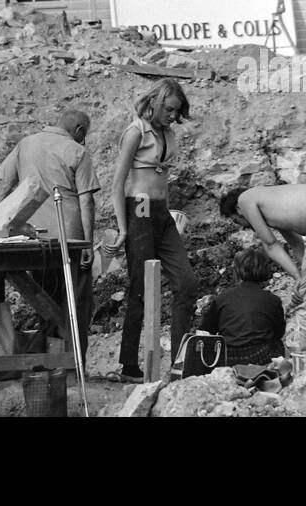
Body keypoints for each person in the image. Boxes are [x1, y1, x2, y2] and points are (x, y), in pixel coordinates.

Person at [103, 78, 200, 383]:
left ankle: (180, 361)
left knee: (186, 283)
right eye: (170, 109)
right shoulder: (136, 131)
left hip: (159, 212)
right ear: (156, 102)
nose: (173, 115)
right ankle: (129, 365)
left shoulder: (168, 133)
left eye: (177, 111)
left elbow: (164, 181)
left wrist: (169, 215)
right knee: (141, 287)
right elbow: (118, 183)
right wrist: (122, 225)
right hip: (140, 208)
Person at [0, 109, 98, 362]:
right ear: (80, 131)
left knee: (44, 301)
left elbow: (4, 185)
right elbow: (87, 202)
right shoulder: (77, 151)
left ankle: (49, 362)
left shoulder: (26, 143)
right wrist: (88, 243)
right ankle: (73, 363)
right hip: (69, 238)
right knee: (75, 305)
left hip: (32, 239)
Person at [219, 184, 306, 354]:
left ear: (238, 209)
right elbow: (297, 245)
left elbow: (270, 244)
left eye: (238, 220)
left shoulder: (245, 199)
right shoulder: (274, 202)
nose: (244, 226)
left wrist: (300, 279)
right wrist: (303, 276)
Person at [199, 248, 287, 365]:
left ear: (237, 271)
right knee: (277, 343)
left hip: (229, 357)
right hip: (261, 356)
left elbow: (206, 330)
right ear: (264, 270)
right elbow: (278, 332)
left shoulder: (223, 298)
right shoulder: (272, 300)